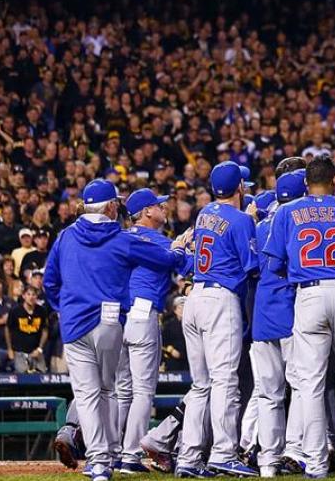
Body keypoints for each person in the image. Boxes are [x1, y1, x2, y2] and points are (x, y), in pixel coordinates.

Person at [44, 179, 188, 481]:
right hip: (113, 321)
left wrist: (63, 309)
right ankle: (117, 455)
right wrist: (179, 249)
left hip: (74, 324)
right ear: (110, 206)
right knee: (114, 391)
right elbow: (169, 260)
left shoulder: (65, 237)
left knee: (87, 393)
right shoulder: (122, 238)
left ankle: (97, 460)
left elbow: (49, 283)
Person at [265, 156, 335, 477]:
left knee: (310, 383)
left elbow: (274, 265)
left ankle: (315, 463)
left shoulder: (286, 211)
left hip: (308, 293)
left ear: (305, 183)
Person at [176, 162, 259, 478]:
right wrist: (250, 223)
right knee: (225, 381)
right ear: (239, 187)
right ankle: (224, 453)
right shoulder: (241, 221)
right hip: (220, 300)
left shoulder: (204, 213)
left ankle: (189, 457)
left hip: (195, 296)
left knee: (201, 385)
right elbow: (252, 267)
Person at [117, 188, 182, 473]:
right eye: (159, 205)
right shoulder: (162, 242)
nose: (164, 208)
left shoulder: (119, 237)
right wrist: (184, 246)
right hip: (143, 314)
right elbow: (186, 264)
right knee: (143, 390)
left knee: (121, 390)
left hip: (116, 316)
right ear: (146, 212)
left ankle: (112, 453)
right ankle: (131, 455)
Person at [250, 171, 309, 478]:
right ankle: (294, 450)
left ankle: (268, 460)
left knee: (268, 393)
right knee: (300, 385)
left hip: (262, 312)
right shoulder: (300, 222)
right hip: (288, 310)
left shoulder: (260, 226)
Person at [5, 286, 48, 373]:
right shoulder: (15, 311)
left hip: (36, 351)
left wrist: (40, 349)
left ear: (37, 297)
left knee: (42, 376)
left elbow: (45, 330)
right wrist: (9, 349)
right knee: (22, 377)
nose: (31, 297)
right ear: (23, 296)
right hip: (19, 352)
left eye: (34, 295)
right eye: (28, 294)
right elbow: (7, 329)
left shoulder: (42, 311)